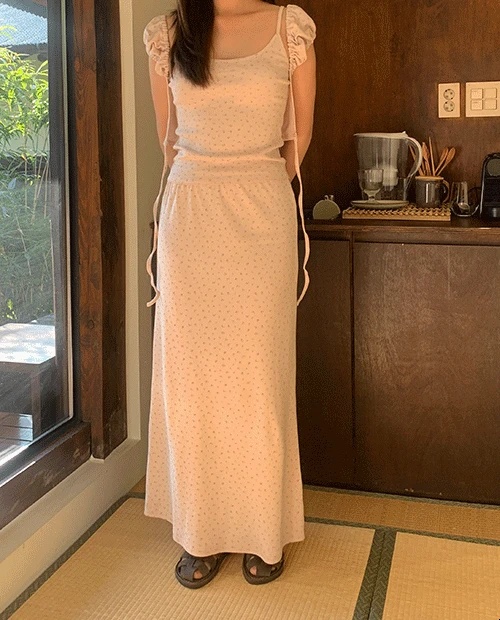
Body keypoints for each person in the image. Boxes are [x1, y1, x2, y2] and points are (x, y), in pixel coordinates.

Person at [143, 0, 316, 589]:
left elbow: (301, 137)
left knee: (259, 378)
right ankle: (200, 531)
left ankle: (264, 528)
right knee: (193, 382)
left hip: (262, 214)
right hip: (190, 218)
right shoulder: (168, 34)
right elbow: (168, 140)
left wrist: (254, 180)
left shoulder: (291, 28)